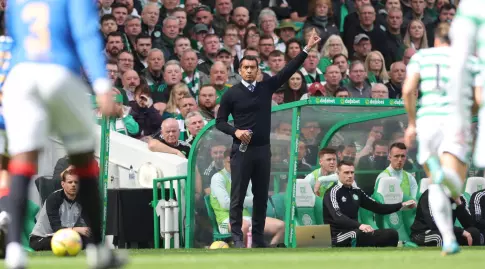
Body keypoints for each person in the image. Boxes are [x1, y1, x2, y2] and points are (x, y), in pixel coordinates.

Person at [2, 0, 126, 268]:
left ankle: (14, 252)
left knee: (21, 163)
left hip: (21, 76)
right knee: (83, 161)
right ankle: (98, 253)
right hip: (59, 71)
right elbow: (85, 34)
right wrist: (102, 85)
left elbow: (14, 39)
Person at [215, 29, 321, 248]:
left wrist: (306, 49)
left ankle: (259, 239)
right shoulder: (231, 93)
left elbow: (287, 70)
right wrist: (235, 132)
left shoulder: (266, 87)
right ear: (239, 70)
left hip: (263, 150)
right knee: (237, 195)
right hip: (241, 149)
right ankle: (236, 238)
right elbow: (220, 122)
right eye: (245, 68)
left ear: (258, 70)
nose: (249, 71)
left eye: (253, 67)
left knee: (261, 196)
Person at [403, 22, 480, 255]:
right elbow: (479, 98)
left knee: (435, 185)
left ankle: (448, 239)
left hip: (427, 121)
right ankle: (445, 174)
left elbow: (408, 90)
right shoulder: (472, 60)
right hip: (455, 121)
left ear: (435, 39)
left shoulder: (421, 56)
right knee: (455, 184)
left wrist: (411, 123)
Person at [323, 160, 416, 247]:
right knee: (358, 234)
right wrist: (360, 225)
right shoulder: (332, 192)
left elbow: (378, 207)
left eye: (352, 172)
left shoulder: (356, 191)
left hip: (356, 231)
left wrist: (401, 205)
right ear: (338, 174)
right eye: (346, 173)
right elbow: (337, 216)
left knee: (392, 234)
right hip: (338, 235)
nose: (350, 176)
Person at [209, 149, 285, 247]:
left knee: (281, 226)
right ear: (224, 161)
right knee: (243, 226)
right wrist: (245, 200)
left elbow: (254, 200)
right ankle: (244, 254)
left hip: (247, 218)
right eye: (229, 162)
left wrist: (239, 201)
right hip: (226, 220)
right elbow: (225, 204)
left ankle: (269, 250)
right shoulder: (218, 178)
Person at [29, 166, 93, 251]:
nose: (73, 185)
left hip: (68, 236)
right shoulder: (53, 199)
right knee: (63, 242)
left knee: (89, 242)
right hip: (43, 237)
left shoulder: (82, 200)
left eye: (76, 182)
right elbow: (56, 229)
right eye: (70, 182)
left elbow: (85, 224)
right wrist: (76, 229)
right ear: (63, 184)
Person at [410, 189, 481, 247]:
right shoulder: (430, 195)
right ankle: (441, 263)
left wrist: (459, 203)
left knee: (474, 232)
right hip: (423, 233)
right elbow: (434, 223)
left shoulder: (459, 196)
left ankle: (470, 262)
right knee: (439, 237)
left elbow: (469, 224)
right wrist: (461, 231)